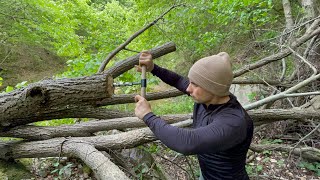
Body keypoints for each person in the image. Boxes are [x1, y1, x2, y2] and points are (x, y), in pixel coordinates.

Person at [134, 51, 254, 180]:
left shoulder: (234, 122)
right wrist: (153, 68)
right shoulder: (207, 97)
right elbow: (178, 80)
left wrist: (148, 115)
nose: (188, 89)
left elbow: (186, 142)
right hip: (206, 175)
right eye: (191, 82)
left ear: (213, 88)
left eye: (195, 84)